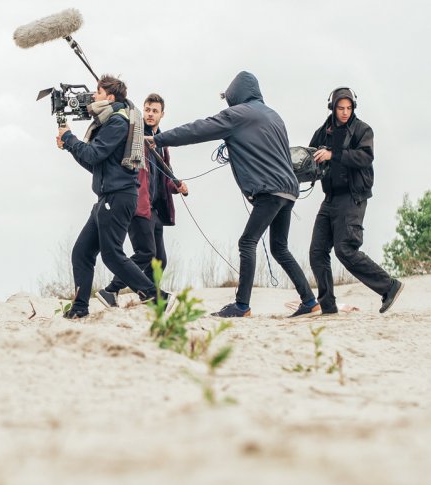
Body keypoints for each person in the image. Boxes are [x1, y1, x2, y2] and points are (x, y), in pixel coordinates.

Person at [148, 71, 319, 319]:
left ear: (235, 95)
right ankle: (310, 300)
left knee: (246, 242)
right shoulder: (274, 116)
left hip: (270, 191)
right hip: (289, 189)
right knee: (279, 248)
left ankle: (241, 306)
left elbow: (198, 129)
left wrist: (159, 139)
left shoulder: (237, 114)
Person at [57, 75, 161, 319]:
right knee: (81, 253)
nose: (94, 96)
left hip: (119, 196)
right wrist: (68, 145)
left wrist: (70, 138)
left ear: (110, 97)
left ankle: (156, 296)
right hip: (106, 197)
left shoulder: (117, 122)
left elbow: (93, 154)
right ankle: (80, 307)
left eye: (98, 92)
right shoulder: (110, 122)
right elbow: (94, 164)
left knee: (112, 255)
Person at [308, 87, 402, 314]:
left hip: (352, 197)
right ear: (332, 107)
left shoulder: (363, 130)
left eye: (349, 108)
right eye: (340, 108)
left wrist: (334, 154)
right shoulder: (323, 132)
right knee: (317, 252)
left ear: (353, 108)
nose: (344, 112)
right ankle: (328, 307)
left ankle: (389, 286)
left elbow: (365, 157)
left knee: (345, 249)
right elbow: (310, 155)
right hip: (329, 199)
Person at [96, 93, 188, 308]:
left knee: (159, 260)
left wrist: (177, 185)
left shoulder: (162, 142)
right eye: (147, 109)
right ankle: (114, 290)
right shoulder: (136, 135)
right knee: (146, 253)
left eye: (154, 111)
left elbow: (165, 174)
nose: (150, 114)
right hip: (138, 203)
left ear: (162, 115)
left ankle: (145, 295)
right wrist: (147, 142)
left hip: (155, 207)